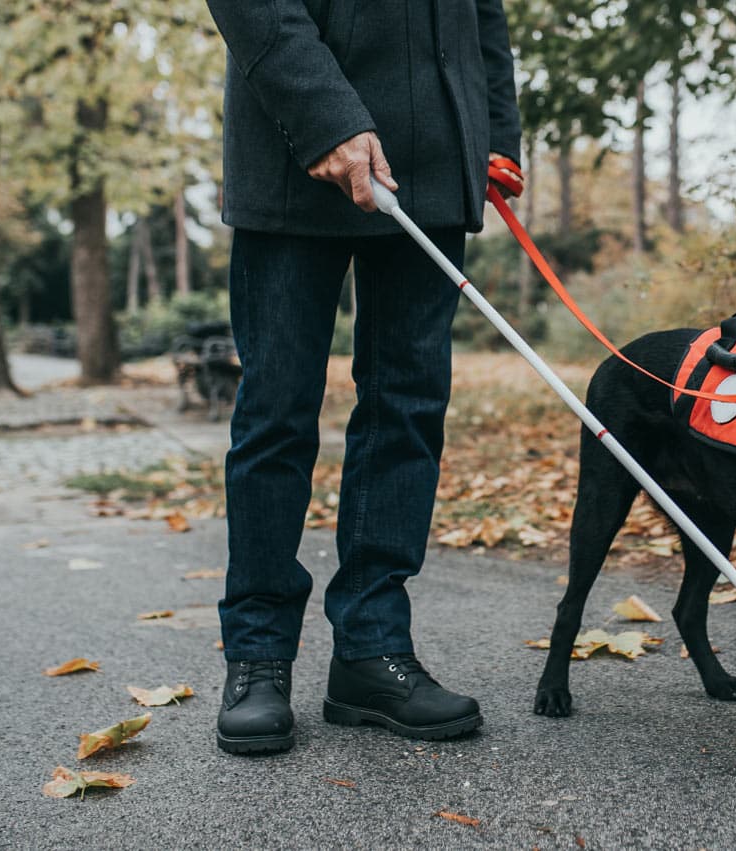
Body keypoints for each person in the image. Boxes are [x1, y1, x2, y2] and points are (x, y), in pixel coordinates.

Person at [202, 0, 522, 754]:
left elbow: (484, 17)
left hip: (437, 165)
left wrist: (494, 136)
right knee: (276, 412)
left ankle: (371, 652)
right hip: (295, 149)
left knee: (406, 409)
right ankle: (257, 653)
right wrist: (326, 118)